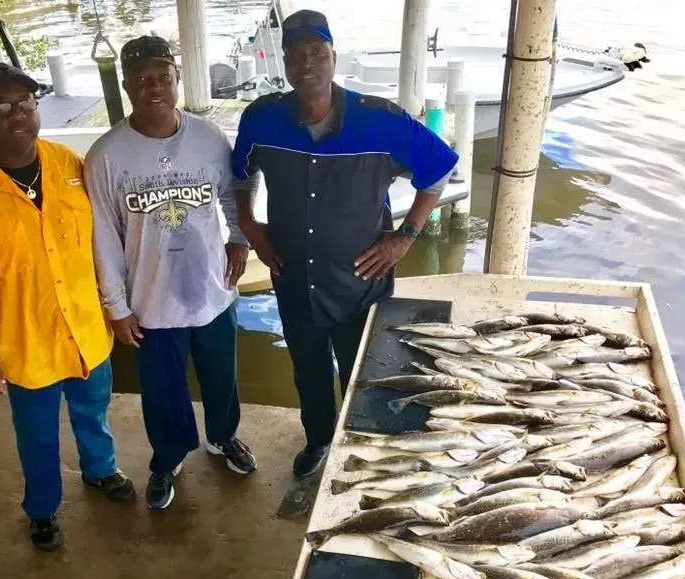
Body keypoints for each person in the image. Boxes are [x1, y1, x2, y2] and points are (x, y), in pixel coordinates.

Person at [232, 10, 459, 478]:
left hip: (361, 281)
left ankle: (362, 445)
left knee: (365, 370)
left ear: (334, 58)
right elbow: (241, 175)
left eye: (317, 53)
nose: (307, 64)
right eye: (296, 56)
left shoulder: (382, 120)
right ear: (285, 63)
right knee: (307, 369)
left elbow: (437, 172)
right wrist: (251, 227)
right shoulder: (261, 118)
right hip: (294, 278)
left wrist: (405, 238)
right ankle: (318, 441)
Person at [0, 63, 135, 552]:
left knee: (94, 412)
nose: (16, 115)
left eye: (24, 103)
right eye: (1, 107)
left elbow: (104, 242)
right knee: (37, 436)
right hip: (25, 344)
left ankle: (101, 470)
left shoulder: (70, 165)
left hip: (85, 330)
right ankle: (42, 508)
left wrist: (119, 306)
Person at [85, 36, 257, 513]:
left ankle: (223, 438)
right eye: (142, 79)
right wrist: (115, 306)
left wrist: (239, 239)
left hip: (211, 287)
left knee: (222, 376)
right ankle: (167, 458)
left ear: (178, 80)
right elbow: (102, 236)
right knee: (162, 391)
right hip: (150, 300)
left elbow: (234, 191)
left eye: (163, 76)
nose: (153, 86)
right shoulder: (107, 155)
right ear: (126, 85)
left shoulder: (208, 136)